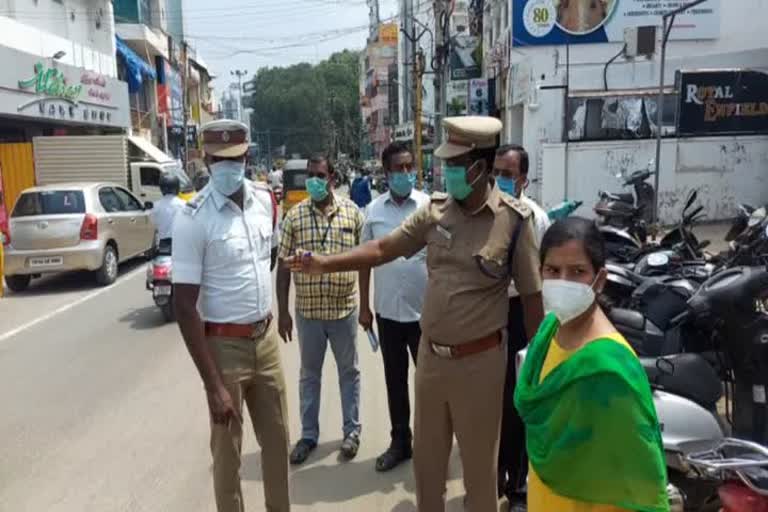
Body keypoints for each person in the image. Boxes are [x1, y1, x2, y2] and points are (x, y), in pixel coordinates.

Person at [285, 116, 544, 511]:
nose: (448, 171)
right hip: (431, 361)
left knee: (478, 478)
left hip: (480, 364)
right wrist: (324, 262)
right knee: (427, 472)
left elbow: (531, 298)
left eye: (456, 164)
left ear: (479, 166)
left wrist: (540, 369)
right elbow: (380, 249)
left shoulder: (513, 222)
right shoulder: (436, 212)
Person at [172, 120, 290, 512]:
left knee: (277, 444)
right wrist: (213, 385)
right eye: (218, 160)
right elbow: (184, 305)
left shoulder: (264, 201)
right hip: (224, 346)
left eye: (235, 159)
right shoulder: (193, 218)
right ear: (206, 159)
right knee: (227, 456)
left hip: (266, 339)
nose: (227, 166)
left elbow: (269, 257)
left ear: (247, 157)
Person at [515, 217, 668, 512]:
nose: (563, 282)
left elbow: (636, 480)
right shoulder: (548, 331)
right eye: (553, 271)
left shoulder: (610, 370)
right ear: (540, 274)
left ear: (599, 280)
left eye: (577, 272)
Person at [276, 155, 364, 465]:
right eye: (310, 175)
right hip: (308, 313)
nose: (314, 180)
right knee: (309, 375)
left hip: (343, 312)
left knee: (349, 373)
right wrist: (283, 312)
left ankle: (351, 432)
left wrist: (366, 306)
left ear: (332, 178)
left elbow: (365, 259)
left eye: (320, 175)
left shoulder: (352, 213)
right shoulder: (294, 216)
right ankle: (308, 436)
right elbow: (283, 266)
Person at [359, 141, 430, 472]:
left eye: (408, 166)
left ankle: (432, 444)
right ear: (385, 173)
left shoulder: (430, 207)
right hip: (388, 313)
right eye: (398, 169)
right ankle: (401, 441)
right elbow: (364, 262)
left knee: (430, 383)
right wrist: (364, 306)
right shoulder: (373, 212)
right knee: (395, 381)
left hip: (426, 315)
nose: (405, 173)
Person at [492, 144, 551, 506]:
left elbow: (541, 280)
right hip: (486, 314)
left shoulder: (536, 218)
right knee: (487, 402)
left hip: (520, 312)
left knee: (518, 401)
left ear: (524, 180)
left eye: (507, 175)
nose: (499, 181)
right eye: (495, 172)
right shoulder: (482, 214)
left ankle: (517, 483)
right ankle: (490, 474)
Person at [150, 173, 185, 253]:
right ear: (177, 187)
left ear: (161, 188)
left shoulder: (155, 206)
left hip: (163, 244)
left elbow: (154, 224)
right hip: (181, 243)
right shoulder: (184, 205)